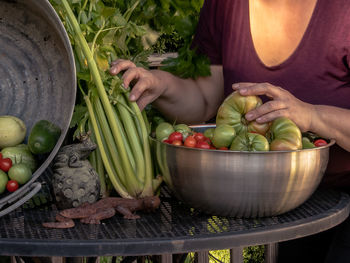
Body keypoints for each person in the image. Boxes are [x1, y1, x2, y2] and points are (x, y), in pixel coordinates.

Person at [109, 0, 350, 262]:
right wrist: (162, 85)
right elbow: (204, 100)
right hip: (287, 202)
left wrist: (312, 115)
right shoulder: (225, 6)